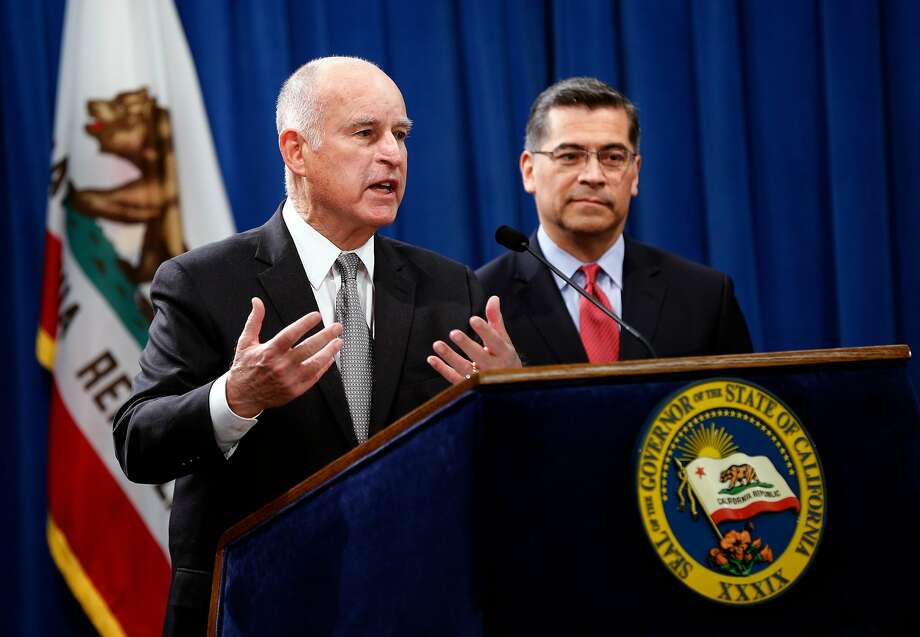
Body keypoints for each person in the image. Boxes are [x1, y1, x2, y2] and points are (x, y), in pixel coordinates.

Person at [112, 57, 518, 635]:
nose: (393, 155)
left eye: (400, 135)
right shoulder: (204, 281)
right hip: (254, 609)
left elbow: (494, 468)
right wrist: (235, 398)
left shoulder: (449, 287)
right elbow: (138, 442)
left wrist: (508, 396)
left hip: (410, 607)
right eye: (365, 133)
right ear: (296, 150)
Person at [477, 77, 752, 364]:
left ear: (635, 173)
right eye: (570, 156)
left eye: (613, 157)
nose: (593, 176)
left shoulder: (705, 296)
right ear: (529, 171)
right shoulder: (480, 300)